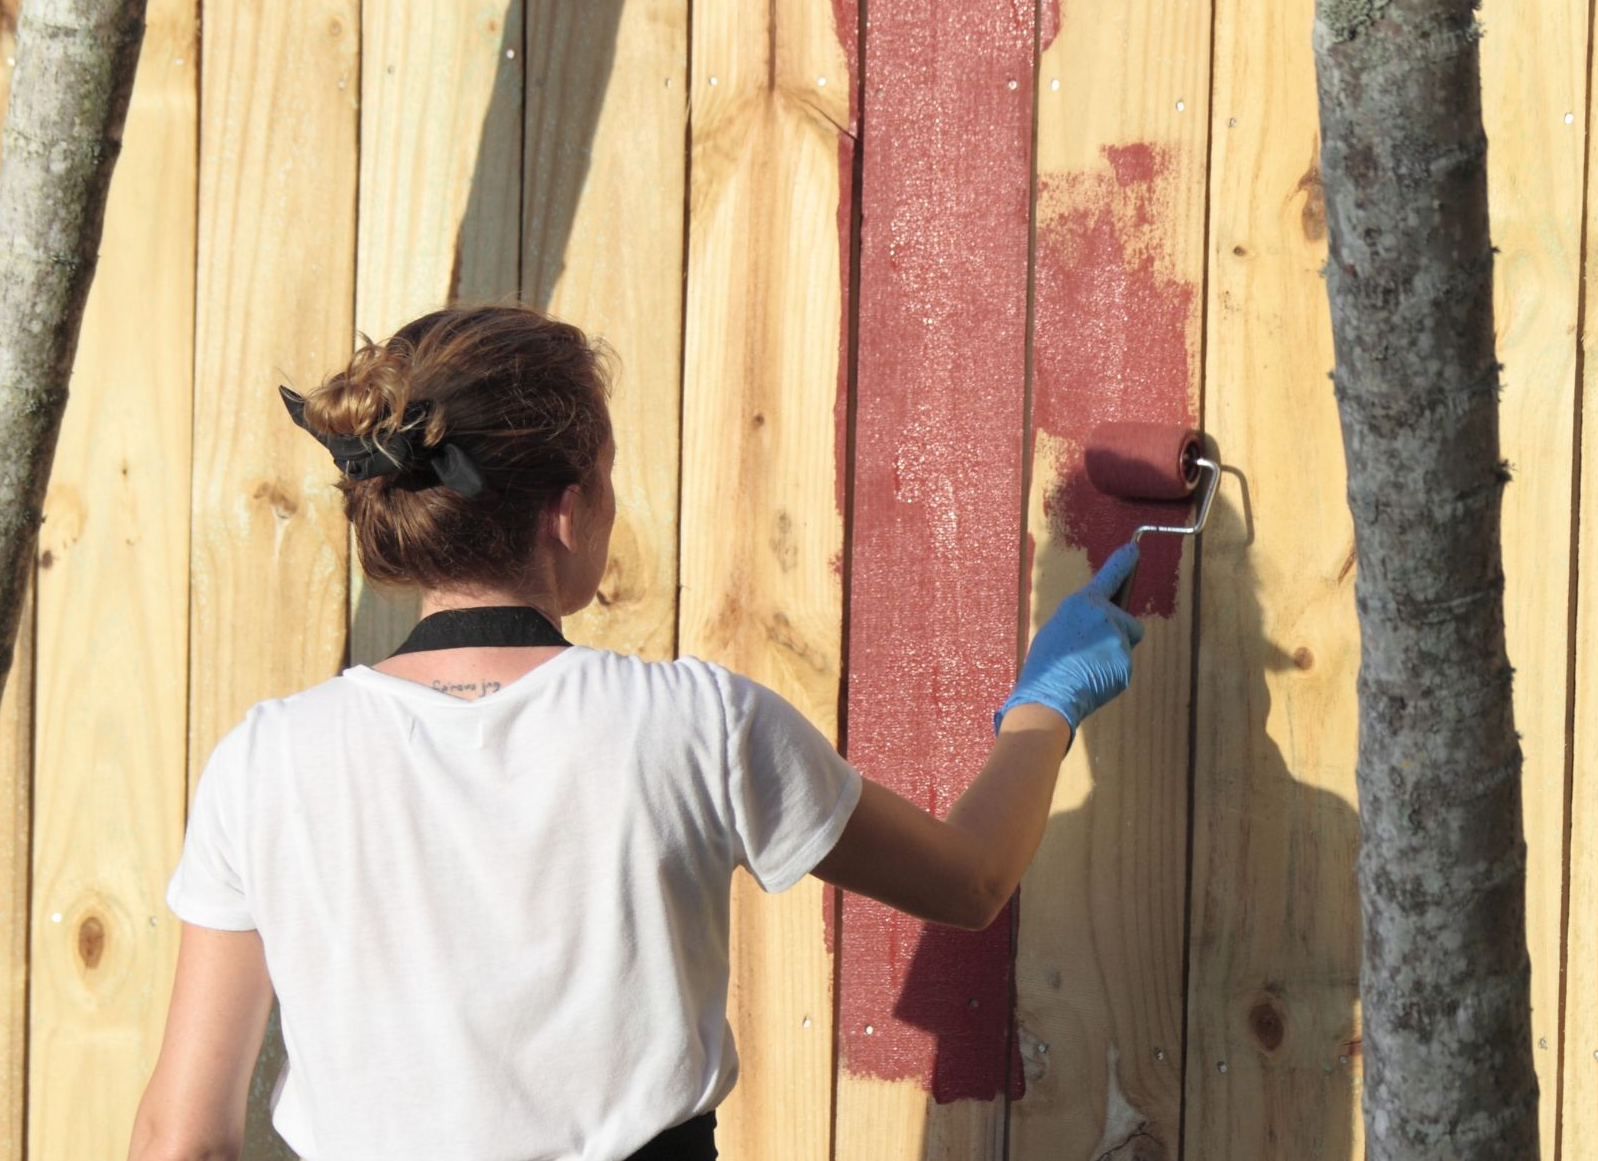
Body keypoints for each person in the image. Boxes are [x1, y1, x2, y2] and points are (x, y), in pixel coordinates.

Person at [124, 305, 1143, 1161]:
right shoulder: (692, 723)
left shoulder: (266, 759)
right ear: (569, 509)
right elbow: (967, 881)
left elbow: (181, 1137)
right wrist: (1045, 702)